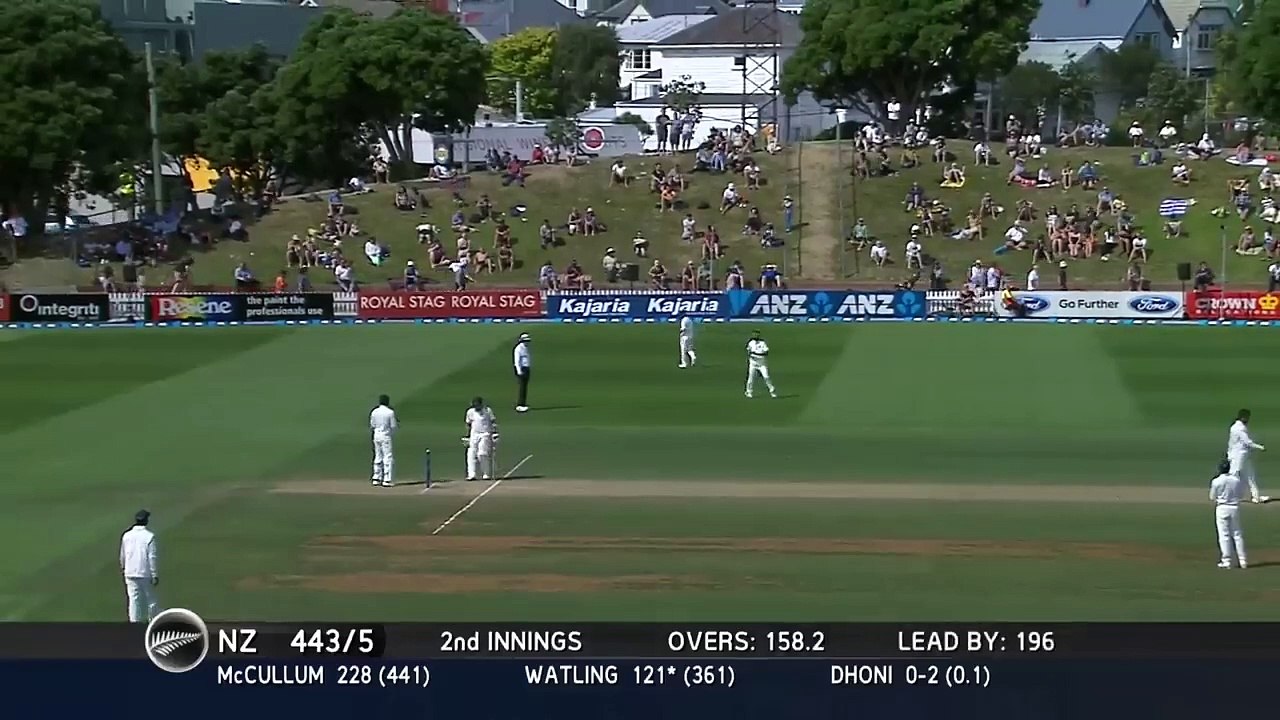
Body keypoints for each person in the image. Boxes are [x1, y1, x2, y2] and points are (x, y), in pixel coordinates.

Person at [120, 510, 159, 623]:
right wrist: (154, 574)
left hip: (130, 571)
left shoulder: (126, 535)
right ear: (146, 520)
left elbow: (123, 554)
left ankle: (134, 622)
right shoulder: (149, 536)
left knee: (133, 600)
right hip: (144, 572)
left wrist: (123, 568)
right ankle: (152, 621)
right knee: (151, 599)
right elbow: (152, 556)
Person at [1209, 458, 1248, 569]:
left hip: (1221, 508)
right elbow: (1240, 495)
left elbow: (1212, 497)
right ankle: (1243, 560)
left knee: (1224, 535)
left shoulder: (1216, 481)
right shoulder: (1236, 480)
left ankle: (1227, 561)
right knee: (1237, 534)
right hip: (1234, 508)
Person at [1227, 409, 1268, 503]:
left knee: (1250, 475)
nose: (1249, 419)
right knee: (1234, 475)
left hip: (1243, 455)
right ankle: (1229, 496)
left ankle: (1256, 496)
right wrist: (1260, 447)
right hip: (1238, 456)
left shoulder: (1238, 426)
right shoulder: (1239, 428)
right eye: (1247, 417)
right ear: (1243, 417)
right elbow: (1247, 442)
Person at [464, 396, 498, 482]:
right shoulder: (470, 412)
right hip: (474, 434)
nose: (476, 407)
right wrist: (467, 436)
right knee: (471, 453)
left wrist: (495, 434)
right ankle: (471, 474)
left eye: (477, 405)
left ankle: (486, 473)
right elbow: (468, 424)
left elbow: (493, 422)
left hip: (485, 434)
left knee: (482, 454)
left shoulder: (487, 411)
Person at [369, 394, 397, 487]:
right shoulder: (390, 412)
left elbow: (372, 425)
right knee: (387, 457)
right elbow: (393, 426)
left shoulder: (374, 411)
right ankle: (387, 479)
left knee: (378, 456)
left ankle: (376, 478)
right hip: (385, 436)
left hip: (376, 435)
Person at [744, 330, 777, 399]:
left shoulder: (762, 343)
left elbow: (766, 352)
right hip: (753, 364)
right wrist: (752, 354)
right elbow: (748, 352)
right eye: (754, 334)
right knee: (751, 378)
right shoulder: (750, 343)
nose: (755, 336)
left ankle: (772, 391)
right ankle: (749, 392)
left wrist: (756, 354)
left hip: (762, 364)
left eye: (757, 334)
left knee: (766, 377)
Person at [513, 333, 532, 413]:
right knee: (522, 387)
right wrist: (519, 371)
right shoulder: (518, 349)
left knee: (524, 387)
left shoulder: (525, 348)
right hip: (522, 369)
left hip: (526, 368)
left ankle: (523, 404)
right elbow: (517, 361)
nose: (527, 342)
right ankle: (520, 405)